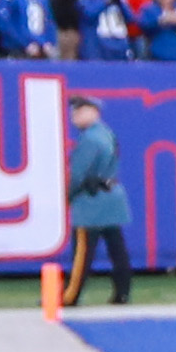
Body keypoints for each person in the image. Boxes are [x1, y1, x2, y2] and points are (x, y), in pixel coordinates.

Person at [65, 90, 132, 305]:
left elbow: (77, 174)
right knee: (117, 249)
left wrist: (68, 195)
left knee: (83, 253)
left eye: (79, 111)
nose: (74, 116)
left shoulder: (89, 139)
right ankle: (122, 292)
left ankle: (71, 295)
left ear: (92, 112)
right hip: (112, 196)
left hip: (91, 200)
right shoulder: (106, 133)